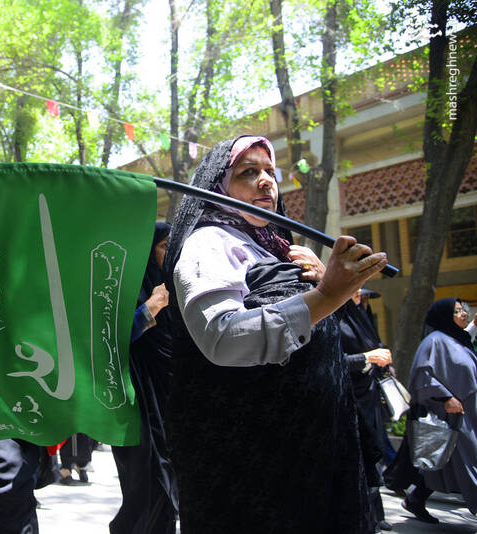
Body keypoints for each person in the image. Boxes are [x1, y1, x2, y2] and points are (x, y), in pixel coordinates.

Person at [162, 135, 388, 532]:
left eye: (270, 171)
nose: (267, 181)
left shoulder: (276, 248)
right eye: (248, 172)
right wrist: (326, 294)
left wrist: (325, 284)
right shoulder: (208, 244)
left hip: (312, 456)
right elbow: (222, 337)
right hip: (257, 470)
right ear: (218, 186)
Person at [110, 222, 178, 534]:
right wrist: (150, 309)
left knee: (168, 488)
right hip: (136, 402)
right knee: (145, 485)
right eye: (164, 246)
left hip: (170, 402)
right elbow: (112, 337)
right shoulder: (129, 289)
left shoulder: (178, 290)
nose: (171, 253)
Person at [400, 298, 477, 522]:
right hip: (455, 415)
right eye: (457, 311)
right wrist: (445, 399)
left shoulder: (458, 339)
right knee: (471, 460)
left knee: (445, 462)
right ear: (445, 316)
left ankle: (416, 499)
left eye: (463, 310)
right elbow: (422, 375)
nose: (464, 314)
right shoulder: (434, 341)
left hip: (468, 413)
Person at [341, 288, 393, 532]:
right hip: (350, 399)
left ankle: (376, 514)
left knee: (373, 455)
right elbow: (334, 359)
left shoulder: (360, 317)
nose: (360, 294)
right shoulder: (336, 318)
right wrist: (367, 358)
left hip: (369, 397)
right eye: (355, 290)